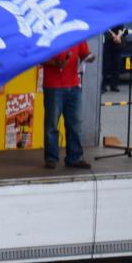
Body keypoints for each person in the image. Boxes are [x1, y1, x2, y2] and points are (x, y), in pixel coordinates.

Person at [42, 40, 94, 170]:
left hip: (74, 84)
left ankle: (75, 157)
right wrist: (56, 63)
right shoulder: (51, 34)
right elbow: (39, 57)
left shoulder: (77, 34)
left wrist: (90, 57)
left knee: (75, 124)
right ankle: (51, 158)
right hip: (53, 85)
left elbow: (85, 53)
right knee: (52, 125)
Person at [102, 26, 125, 92]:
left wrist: (118, 36)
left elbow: (122, 28)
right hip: (108, 43)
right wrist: (114, 36)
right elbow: (106, 28)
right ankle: (103, 85)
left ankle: (114, 85)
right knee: (106, 65)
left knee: (116, 65)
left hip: (117, 44)